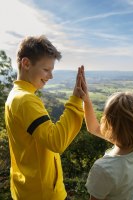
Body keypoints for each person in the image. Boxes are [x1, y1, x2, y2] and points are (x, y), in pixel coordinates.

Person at [5, 35, 85, 200]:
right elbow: (56, 141)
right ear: (26, 64)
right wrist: (76, 101)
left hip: (28, 189)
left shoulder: (16, 95)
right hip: (43, 193)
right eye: (46, 70)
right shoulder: (25, 100)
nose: (50, 76)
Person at [79, 67, 133, 200]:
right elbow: (93, 128)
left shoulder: (103, 168)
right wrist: (86, 100)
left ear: (109, 124)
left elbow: (94, 128)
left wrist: (86, 100)